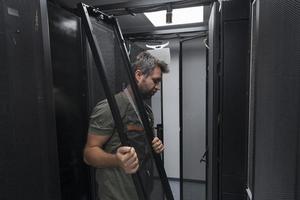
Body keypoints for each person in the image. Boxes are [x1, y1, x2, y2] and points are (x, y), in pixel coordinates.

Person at [83, 51, 170, 200]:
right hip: (116, 195)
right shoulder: (110, 108)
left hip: (141, 191)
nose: (158, 87)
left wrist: (155, 145)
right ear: (138, 75)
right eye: (155, 81)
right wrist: (116, 160)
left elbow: (142, 147)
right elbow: (88, 154)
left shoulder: (147, 112)